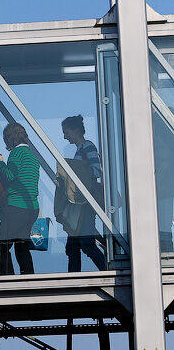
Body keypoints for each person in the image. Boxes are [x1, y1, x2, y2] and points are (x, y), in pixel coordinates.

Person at [60, 115, 106, 272]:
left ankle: (107, 270)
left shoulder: (87, 147)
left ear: (76, 130)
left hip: (85, 203)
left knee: (85, 243)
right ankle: (73, 278)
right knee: (73, 246)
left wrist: (78, 172)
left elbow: (96, 171)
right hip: (80, 203)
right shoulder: (81, 149)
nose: (65, 137)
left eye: (66, 132)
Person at [0, 122, 39, 275]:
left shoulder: (16, 153)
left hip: (16, 207)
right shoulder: (32, 156)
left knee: (0, 246)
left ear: (9, 139)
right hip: (32, 208)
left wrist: (0, 163)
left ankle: (8, 280)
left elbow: (9, 176)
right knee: (21, 246)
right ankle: (28, 279)